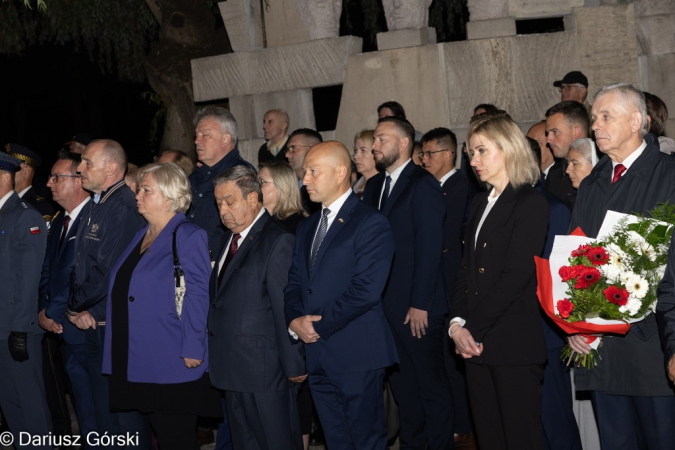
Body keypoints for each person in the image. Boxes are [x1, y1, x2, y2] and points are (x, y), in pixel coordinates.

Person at [568, 83, 675, 449]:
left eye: (605, 116)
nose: (594, 125)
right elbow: (574, 260)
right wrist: (573, 322)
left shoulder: (668, 175)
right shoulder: (593, 182)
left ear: (636, 121)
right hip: (601, 351)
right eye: (593, 117)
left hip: (653, 351)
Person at [284, 141, 398, 449]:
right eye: (304, 171)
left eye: (313, 171)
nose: (304, 179)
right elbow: (295, 281)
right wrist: (294, 320)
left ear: (340, 173)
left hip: (356, 353)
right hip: (318, 356)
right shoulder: (308, 226)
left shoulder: (370, 222)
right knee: (336, 440)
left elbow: (365, 291)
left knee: (365, 440)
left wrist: (315, 326)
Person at [101, 163, 220, 450]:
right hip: (140, 356)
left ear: (169, 196)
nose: (137, 194)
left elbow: (198, 293)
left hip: (172, 356)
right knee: (159, 434)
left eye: (146, 190)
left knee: (175, 438)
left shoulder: (188, 235)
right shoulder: (141, 235)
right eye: (139, 188)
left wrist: (193, 345)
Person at [449, 112, 549, 450]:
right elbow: (465, 269)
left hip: (513, 344)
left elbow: (516, 277)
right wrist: (456, 323)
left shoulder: (531, 202)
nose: (473, 161)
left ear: (506, 149)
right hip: (475, 345)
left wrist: (470, 329)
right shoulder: (480, 201)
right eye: (470, 153)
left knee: (520, 440)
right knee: (490, 439)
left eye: (481, 151)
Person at [362, 117, 454, 450]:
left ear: (403, 144)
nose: (374, 146)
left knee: (431, 386)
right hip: (385, 306)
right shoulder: (373, 187)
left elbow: (430, 249)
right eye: (374, 139)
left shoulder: (423, 184)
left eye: (381, 139)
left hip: (418, 306)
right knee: (403, 388)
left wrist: (421, 304)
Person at [208, 165, 305, 450]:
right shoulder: (229, 237)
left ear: (252, 198)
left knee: (276, 443)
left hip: (265, 371)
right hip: (232, 366)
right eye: (218, 203)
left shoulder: (278, 240)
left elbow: (284, 306)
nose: (223, 210)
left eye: (229, 201)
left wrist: (295, 364)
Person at [67, 139, 149, 449]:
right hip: (94, 322)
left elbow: (108, 271)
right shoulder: (98, 203)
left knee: (123, 418)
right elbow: (82, 266)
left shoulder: (124, 206)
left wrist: (76, 306)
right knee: (105, 415)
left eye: (87, 162)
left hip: (111, 326)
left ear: (111, 168)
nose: (80, 168)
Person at [420, 127, 475, 447]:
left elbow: (449, 236)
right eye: (422, 154)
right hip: (433, 283)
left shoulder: (460, 186)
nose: (424, 159)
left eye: (430, 154)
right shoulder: (427, 185)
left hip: (452, 279)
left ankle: (462, 422)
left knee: (454, 357)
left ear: (448, 154)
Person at [528, 137, 583, 450]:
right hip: (519, 333)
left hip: (546, 331)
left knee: (555, 418)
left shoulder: (553, 209)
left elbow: (556, 277)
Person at [38, 151, 96, 442]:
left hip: (85, 328)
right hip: (64, 328)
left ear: (79, 182)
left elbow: (81, 275)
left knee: (100, 409)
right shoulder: (61, 220)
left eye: (57, 177)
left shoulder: (93, 219)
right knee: (84, 408)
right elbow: (47, 271)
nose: (49, 183)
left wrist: (53, 312)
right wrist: (43, 309)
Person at [257, 161, 312, 448]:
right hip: (267, 324)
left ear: (282, 187)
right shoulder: (262, 224)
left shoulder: (296, 225)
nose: (257, 187)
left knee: (296, 398)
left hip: (292, 321)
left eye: (263, 182)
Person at [0, 152, 51, 449]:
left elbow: (29, 277)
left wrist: (20, 328)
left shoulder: (26, 216)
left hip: (15, 328)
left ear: (5, 177)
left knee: (29, 404)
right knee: (9, 404)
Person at [188, 105, 254, 254]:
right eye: (196, 135)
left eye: (205, 135)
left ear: (226, 139)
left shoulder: (240, 174)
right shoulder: (195, 177)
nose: (197, 141)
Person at [544, 101, 590, 209]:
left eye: (555, 132)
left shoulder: (603, 172)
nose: (548, 139)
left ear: (576, 132)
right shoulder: (555, 172)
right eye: (548, 133)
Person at [6, 143, 56, 222]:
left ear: (26, 171)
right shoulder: (6, 200)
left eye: (11, 167)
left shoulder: (40, 207)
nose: (6, 172)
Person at [259, 161, 308, 233]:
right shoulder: (259, 220)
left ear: (282, 186)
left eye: (262, 181)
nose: (255, 186)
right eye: (256, 182)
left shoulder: (298, 225)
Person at [285, 128, 322, 214]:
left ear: (313, 149)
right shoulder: (291, 186)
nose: (287, 155)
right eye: (287, 150)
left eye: (293, 148)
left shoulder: (320, 187)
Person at [351, 129, 378, 199]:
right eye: (355, 150)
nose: (356, 156)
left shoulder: (383, 186)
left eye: (363, 150)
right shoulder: (354, 185)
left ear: (377, 153)